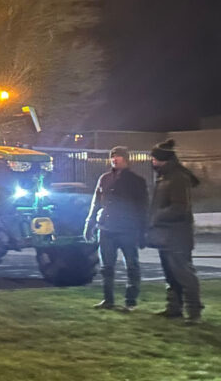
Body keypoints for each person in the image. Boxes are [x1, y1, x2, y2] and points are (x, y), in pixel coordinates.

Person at [84, 146, 148, 311]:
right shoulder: (104, 178)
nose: (114, 159)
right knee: (107, 267)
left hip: (127, 229)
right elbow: (96, 203)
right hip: (106, 228)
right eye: (112, 157)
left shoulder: (136, 181)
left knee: (132, 266)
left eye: (118, 157)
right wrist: (90, 223)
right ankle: (108, 300)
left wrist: (142, 231)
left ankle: (131, 301)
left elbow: (142, 207)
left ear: (126, 159)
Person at [147, 139, 203, 325]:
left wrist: (156, 217)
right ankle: (173, 309)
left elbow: (180, 208)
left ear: (162, 159)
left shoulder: (178, 177)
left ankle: (194, 312)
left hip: (178, 236)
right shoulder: (165, 176)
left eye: (154, 158)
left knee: (183, 274)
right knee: (171, 274)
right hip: (166, 236)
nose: (152, 162)